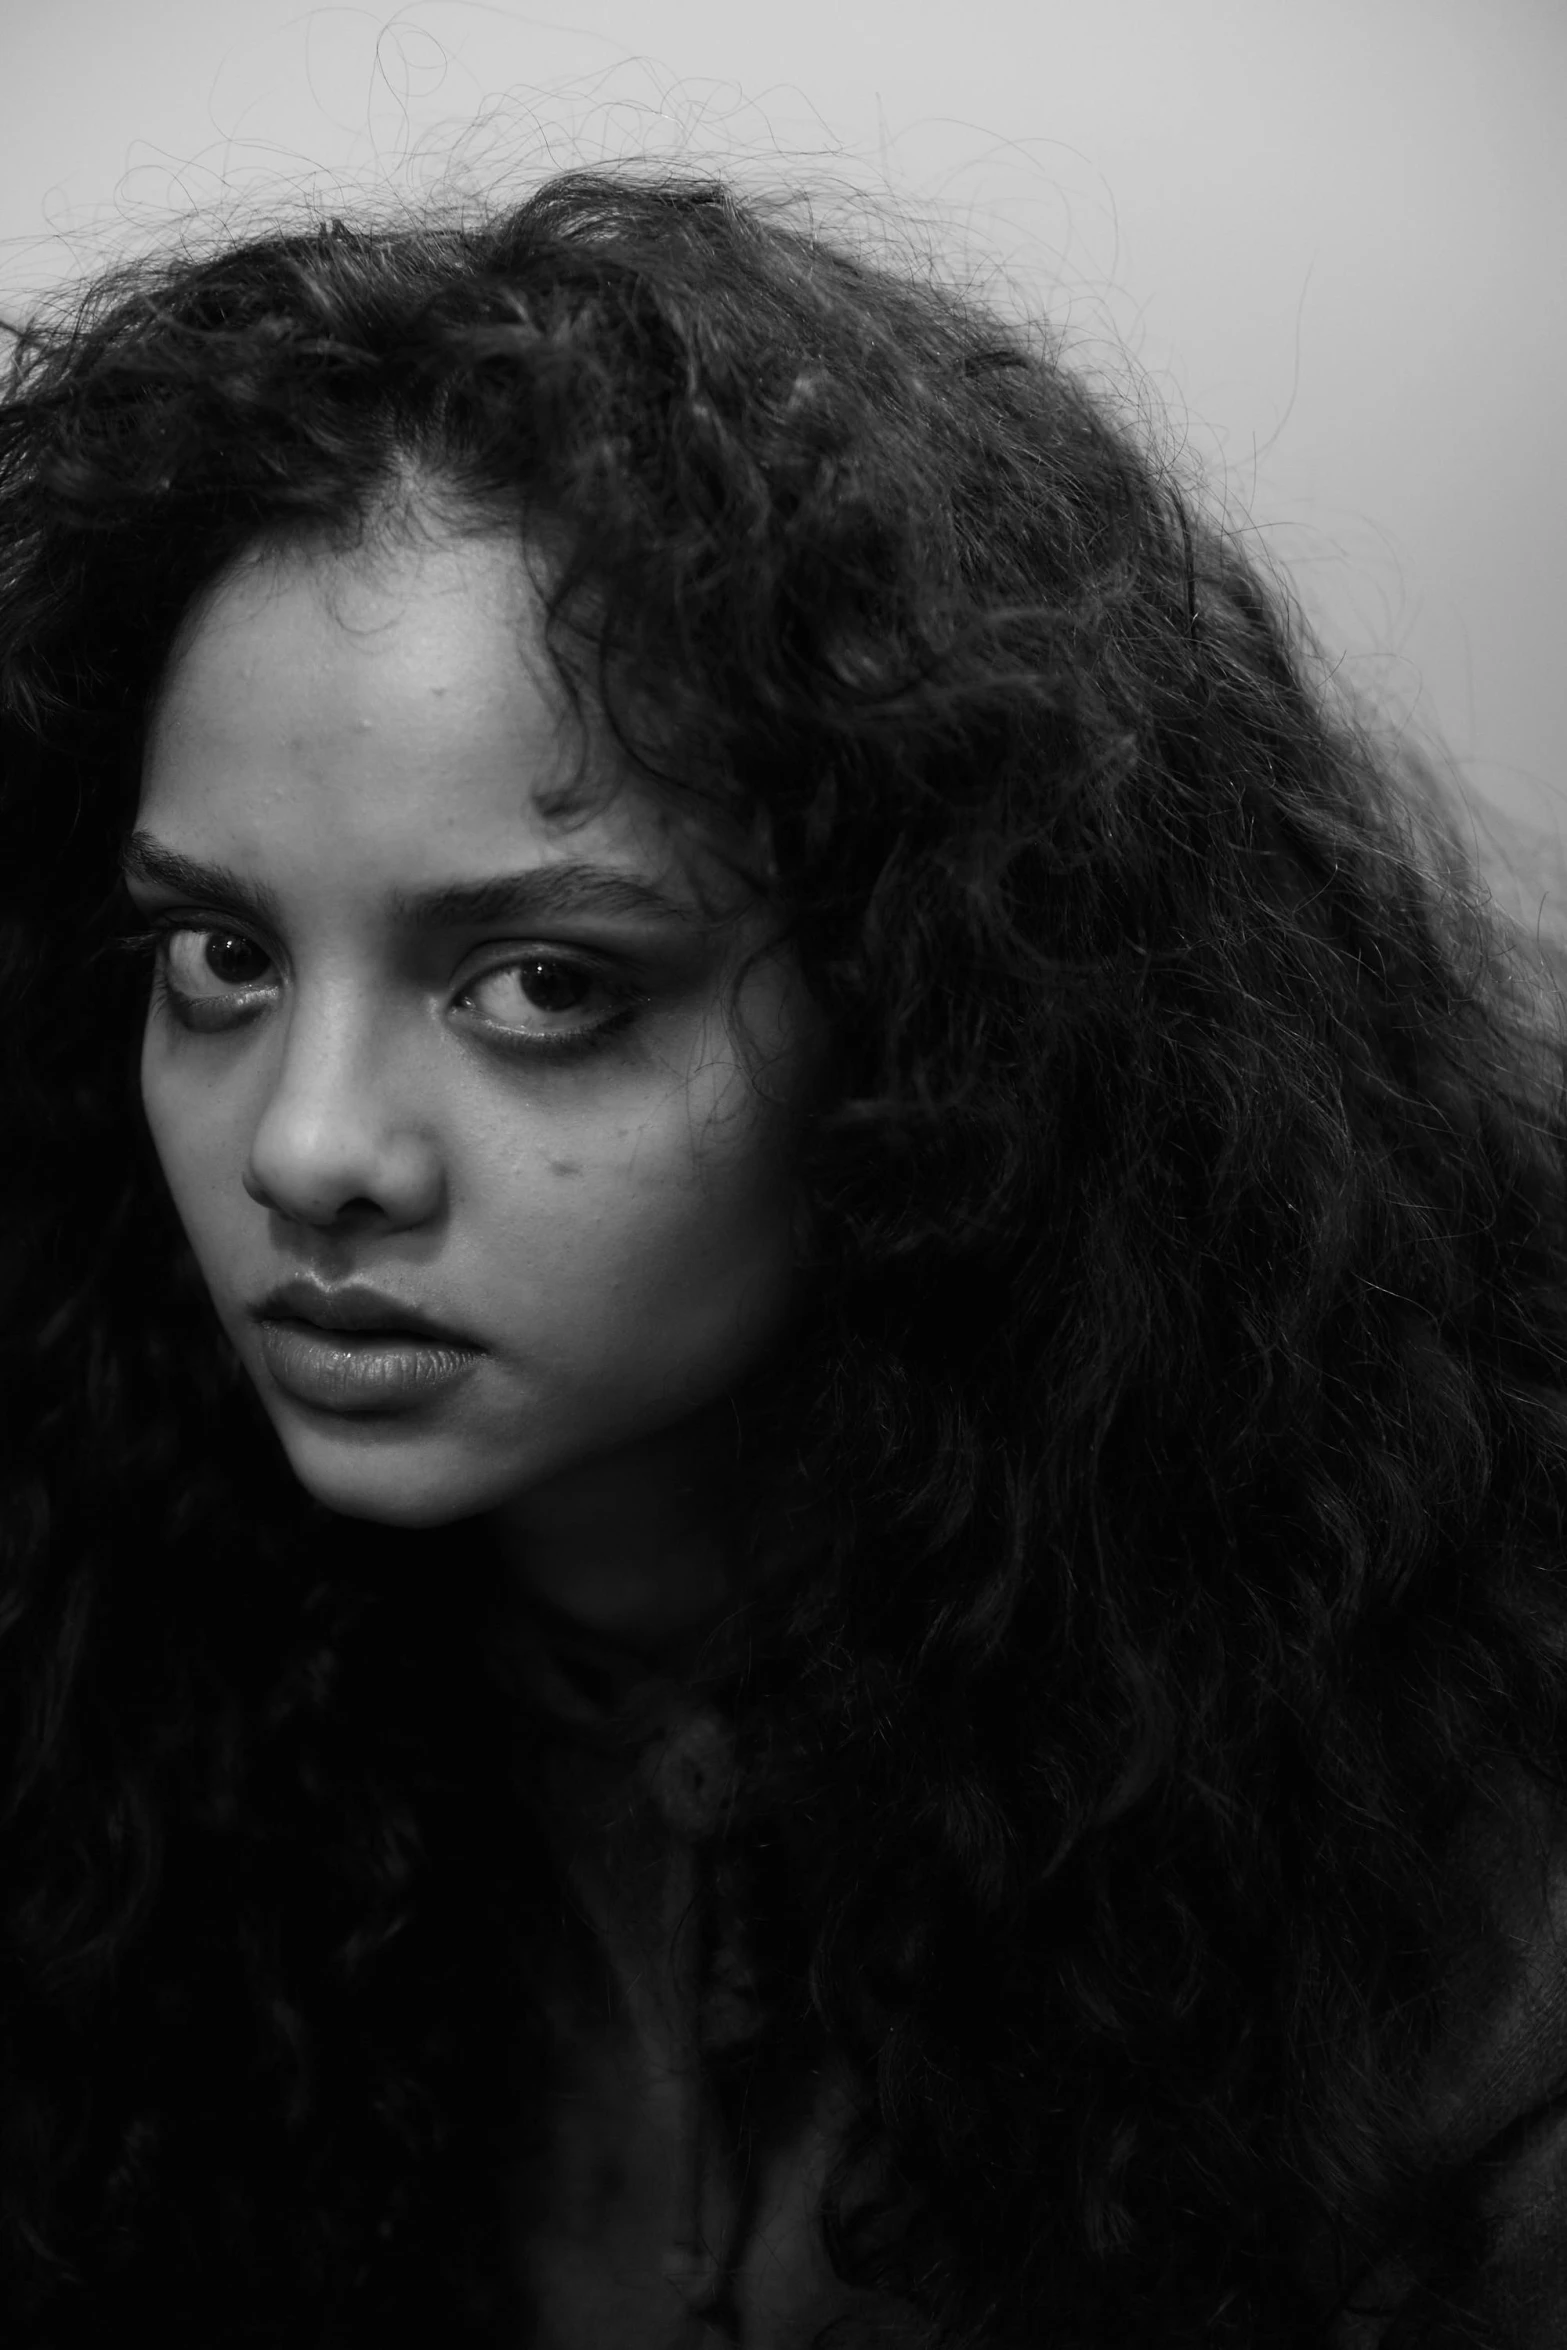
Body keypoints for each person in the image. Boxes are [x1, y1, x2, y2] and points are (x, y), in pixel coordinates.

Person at [3, 163, 1567, 2350]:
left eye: (547, 984)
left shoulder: (1444, 1855)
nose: (312, 1145)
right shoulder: (96, 1720)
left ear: (932, 1030)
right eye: (219, 954)